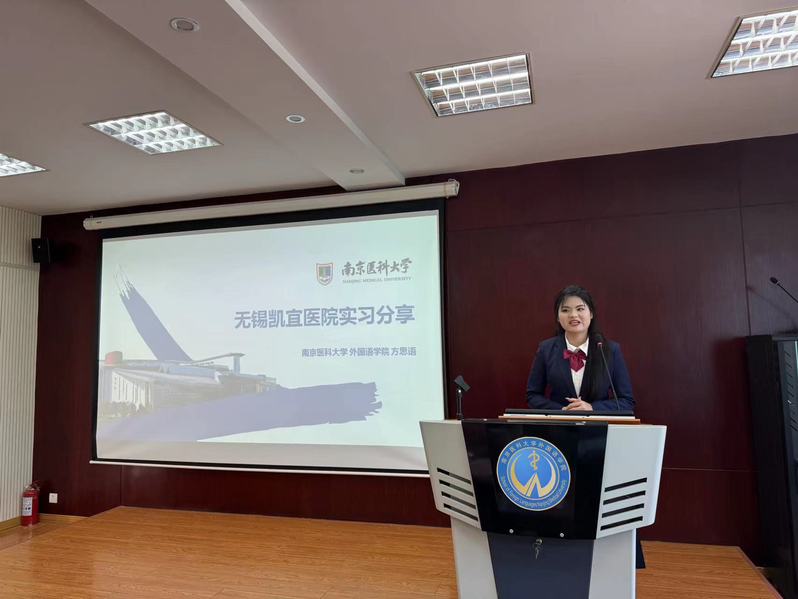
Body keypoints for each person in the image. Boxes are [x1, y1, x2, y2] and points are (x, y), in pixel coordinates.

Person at [526, 285, 634, 412]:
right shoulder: (545, 349)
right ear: (558, 317)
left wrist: (593, 408)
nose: (573, 315)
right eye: (565, 310)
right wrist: (562, 411)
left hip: (597, 424)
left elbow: (627, 401)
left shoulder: (610, 350)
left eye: (580, 309)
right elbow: (533, 396)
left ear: (591, 313)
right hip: (559, 423)